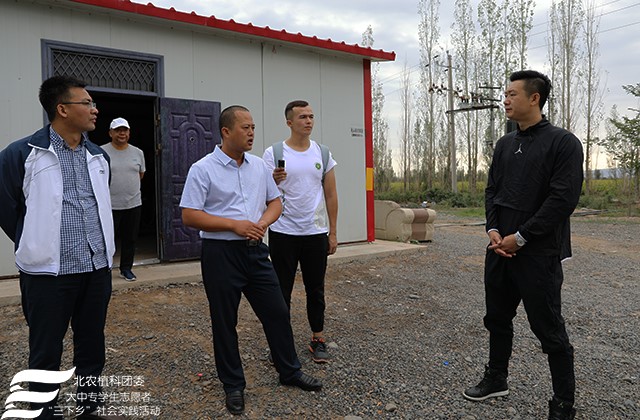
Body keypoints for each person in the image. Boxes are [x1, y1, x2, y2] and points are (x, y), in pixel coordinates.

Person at [180, 105, 322, 416]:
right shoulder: (203, 169)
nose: (251, 133)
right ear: (226, 131)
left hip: (256, 251)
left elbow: (275, 202)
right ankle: (233, 385)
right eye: (245, 127)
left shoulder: (258, 166)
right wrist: (234, 225)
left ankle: (289, 371)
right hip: (221, 254)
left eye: (253, 127)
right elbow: (189, 215)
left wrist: (262, 223)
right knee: (224, 321)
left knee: (277, 311)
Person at [462, 70, 583, 420]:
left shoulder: (563, 143)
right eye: (505, 94)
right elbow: (492, 190)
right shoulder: (504, 144)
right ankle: (496, 378)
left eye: (512, 94)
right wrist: (493, 229)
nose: (505, 99)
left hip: (538, 253)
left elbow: (562, 200)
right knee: (497, 318)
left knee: (548, 328)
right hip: (500, 249)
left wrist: (522, 237)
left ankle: (563, 403)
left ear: (534, 98)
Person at [0, 76, 122, 420]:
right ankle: (44, 413)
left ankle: (88, 407)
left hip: (95, 269)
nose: (94, 109)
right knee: (45, 351)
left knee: (92, 345)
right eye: (87, 103)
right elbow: (6, 206)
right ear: (62, 109)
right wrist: (33, 241)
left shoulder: (98, 156)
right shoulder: (22, 154)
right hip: (48, 274)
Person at [262, 100, 338, 364]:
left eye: (311, 116)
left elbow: (331, 194)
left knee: (315, 289)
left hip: (315, 232)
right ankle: (281, 345)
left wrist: (333, 232)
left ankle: (318, 338)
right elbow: (262, 191)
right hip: (283, 232)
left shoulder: (323, 153)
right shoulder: (273, 152)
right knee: (280, 291)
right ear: (289, 122)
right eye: (303, 117)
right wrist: (272, 179)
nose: (308, 121)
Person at [101, 117, 146, 281]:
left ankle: (126, 268)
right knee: (107, 239)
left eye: (125, 130)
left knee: (130, 238)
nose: (122, 133)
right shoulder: (101, 152)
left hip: (133, 203)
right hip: (109, 205)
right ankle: (104, 269)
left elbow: (140, 175)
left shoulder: (138, 153)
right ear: (110, 133)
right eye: (118, 130)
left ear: (129, 132)